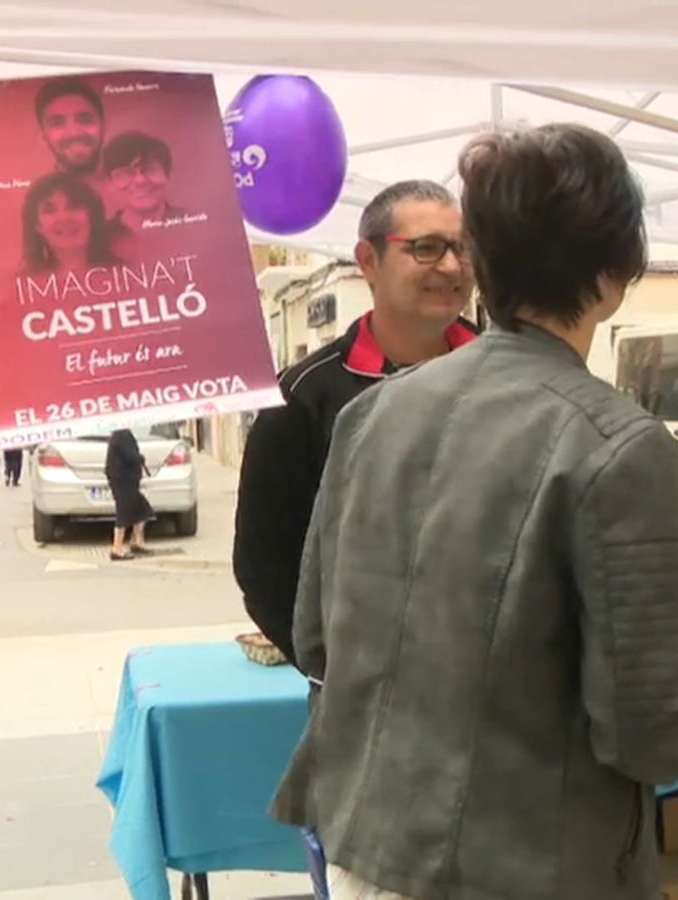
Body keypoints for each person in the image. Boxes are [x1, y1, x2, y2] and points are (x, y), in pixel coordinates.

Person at [270, 123, 678, 900]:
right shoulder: (621, 444)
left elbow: (315, 633)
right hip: (522, 863)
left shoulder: (373, 412)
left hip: (365, 842)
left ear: (482, 260)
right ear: (616, 270)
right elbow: (643, 729)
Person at [232, 180, 478, 894]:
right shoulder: (303, 398)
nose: (451, 266)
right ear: (368, 261)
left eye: (461, 248)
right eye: (424, 248)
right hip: (365, 714)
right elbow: (264, 566)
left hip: (501, 704)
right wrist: (336, 668)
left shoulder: (514, 378)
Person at [102, 131, 186, 260]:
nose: (140, 181)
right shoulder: (97, 240)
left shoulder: (195, 224)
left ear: (167, 175)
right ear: (110, 184)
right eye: (126, 173)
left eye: (149, 169)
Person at [20, 172, 119, 274]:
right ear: (38, 226)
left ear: (92, 217)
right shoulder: (24, 281)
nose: (63, 217)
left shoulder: (123, 273)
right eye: (49, 210)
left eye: (74, 206)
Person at [34, 79, 106, 180]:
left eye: (85, 120)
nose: (74, 133)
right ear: (44, 136)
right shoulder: (39, 190)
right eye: (57, 124)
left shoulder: (127, 185)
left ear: (103, 125)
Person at [104, 428, 152, 561]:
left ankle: (137, 542)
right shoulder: (121, 435)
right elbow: (130, 456)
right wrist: (140, 458)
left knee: (142, 508)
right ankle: (116, 548)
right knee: (124, 513)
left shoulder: (121, 434)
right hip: (123, 481)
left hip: (127, 481)